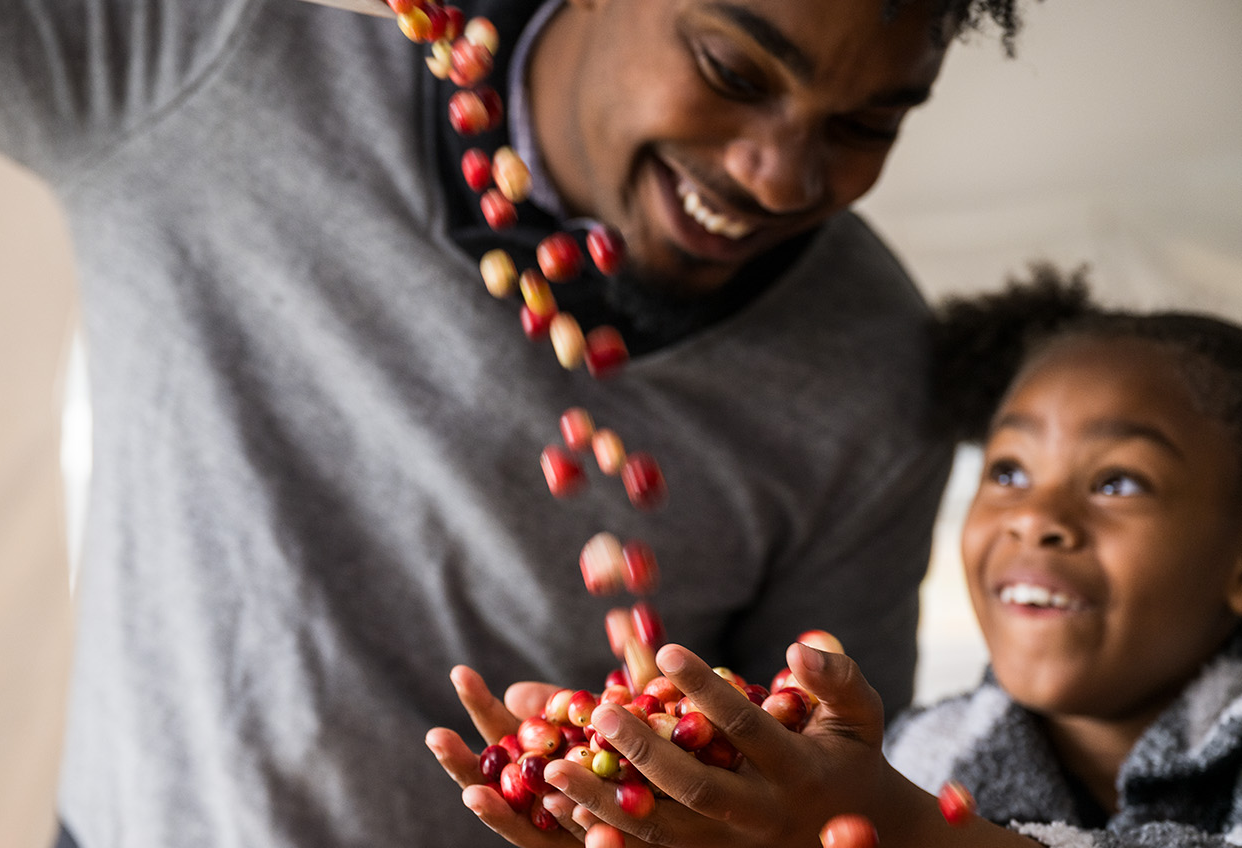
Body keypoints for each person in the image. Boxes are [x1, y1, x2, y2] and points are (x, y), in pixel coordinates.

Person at [0, 0, 1019, 845]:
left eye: (866, 125)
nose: (784, 175)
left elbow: (816, 767)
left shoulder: (869, 362)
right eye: (732, 71)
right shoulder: (224, 66)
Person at [470, 269, 1242, 847]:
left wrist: (898, 829)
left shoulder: (894, 790)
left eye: (1118, 482)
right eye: (1006, 472)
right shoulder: (929, 749)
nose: (1036, 517)